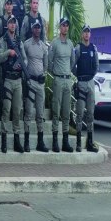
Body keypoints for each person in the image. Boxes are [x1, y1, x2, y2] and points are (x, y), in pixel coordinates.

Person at [0, 15, 27, 153]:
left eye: (14, 23)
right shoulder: (3, 40)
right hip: (8, 79)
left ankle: (16, 140)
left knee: (17, 110)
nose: (12, 25)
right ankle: (4, 139)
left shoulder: (19, 42)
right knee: (6, 109)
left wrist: (21, 65)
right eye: (10, 23)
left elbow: (25, 59)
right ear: (7, 25)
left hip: (18, 80)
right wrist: (8, 52)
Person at [48, 17, 76, 153]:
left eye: (67, 25)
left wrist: (66, 73)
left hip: (67, 80)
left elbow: (72, 62)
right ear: (60, 27)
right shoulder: (54, 43)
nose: (65, 27)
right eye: (63, 25)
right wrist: (56, 73)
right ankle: (55, 141)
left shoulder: (70, 44)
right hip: (58, 80)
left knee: (66, 111)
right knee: (56, 110)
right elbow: (49, 62)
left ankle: (65, 142)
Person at [23, 20, 50, 153]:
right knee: (28, 112)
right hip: (30, 82)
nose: (37, 30)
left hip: (40, 84)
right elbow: (24, 62)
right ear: (32, 29)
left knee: (40, 113)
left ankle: (40, 141)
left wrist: (43, 75)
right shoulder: (27, 44)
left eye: (39, 28)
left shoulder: (44, 46)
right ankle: (26, 142)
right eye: (35, 28)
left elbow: (46, 65)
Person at [74, 24, 100, 153]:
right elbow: (73, 65)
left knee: (90, 114)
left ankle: (90, 142)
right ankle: (78, 143)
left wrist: (90, 76)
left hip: (90, 83)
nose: (86, 34)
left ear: (90, 34)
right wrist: (78, 76)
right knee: (79, 113)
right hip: (81, 83)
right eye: (84, 32)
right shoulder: (78, 48)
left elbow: (96, 65)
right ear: (82, 34)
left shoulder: (93, 48)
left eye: (88, 32)